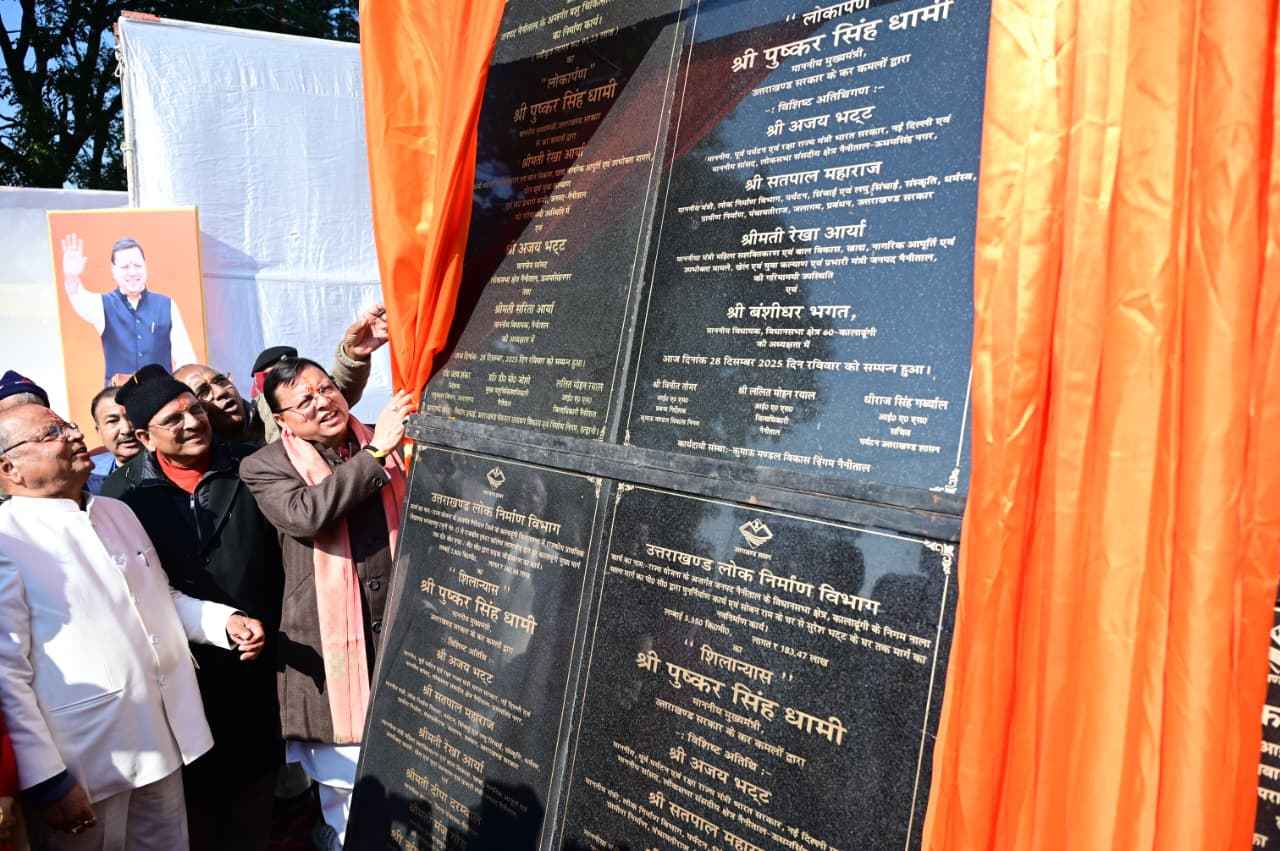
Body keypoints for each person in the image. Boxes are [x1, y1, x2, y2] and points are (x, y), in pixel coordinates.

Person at [0, 403, 266, 851]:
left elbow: (159, 598)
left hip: (161, 734)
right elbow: (7, 674)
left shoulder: (115, 512)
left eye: (68, 425)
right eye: (52, 433)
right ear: (10, 468)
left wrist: (223, 622)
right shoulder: (8, 539)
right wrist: (45, 778)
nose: (74, 435)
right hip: (85, 759)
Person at [240, 358, 413, 848]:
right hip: (330, 649)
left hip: (399, 629)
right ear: (283, 420)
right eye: (305, 401)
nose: (322, 402)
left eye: (326, 389)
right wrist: (377, 453)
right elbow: (307, 514)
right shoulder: (264, 464)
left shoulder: (381, 437)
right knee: (350, 801)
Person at [110, 372, 285, 851]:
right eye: (174, 419)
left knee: (254, 801)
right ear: (145, 438)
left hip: (259, 661)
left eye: (195, 409)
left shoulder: (252, 464)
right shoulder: (121, 496)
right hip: (180, 674)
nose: (192, 423)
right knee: (196, 812)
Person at [175, 304, 390, 446]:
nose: (220, 392)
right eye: (204, 392)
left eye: (220, 380)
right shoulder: (200, 452)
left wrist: (353, 355)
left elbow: (335, 394)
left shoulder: (270, 408)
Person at [59, 234, 198, 385]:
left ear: (145, 266)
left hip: (160, 394)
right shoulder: (103, 304)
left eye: (137, 266)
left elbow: (186, 359)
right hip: (118, 396)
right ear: (113, 271)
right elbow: (79, 298)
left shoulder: (166, 305)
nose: (132, 272)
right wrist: (71, 277)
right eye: (125, 267)